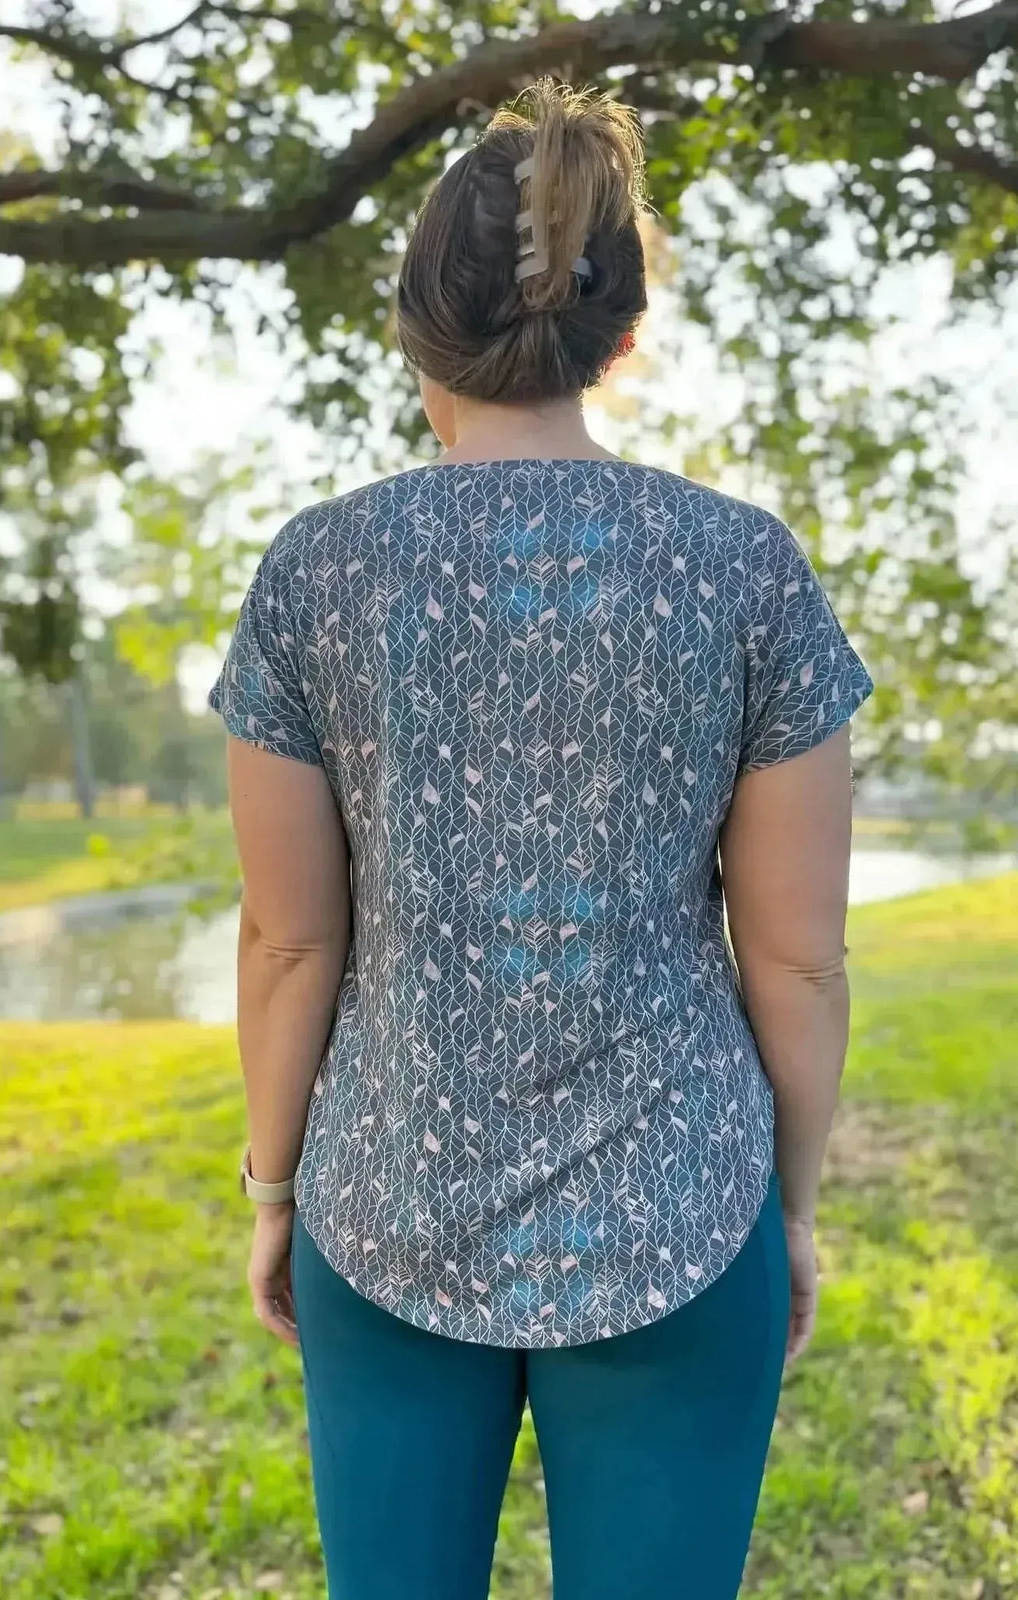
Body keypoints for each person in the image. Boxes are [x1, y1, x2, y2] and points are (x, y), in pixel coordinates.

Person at [211, 79, 873, 1600]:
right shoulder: (747, 569)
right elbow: (800, 957)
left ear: (413, 325)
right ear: (621, 333)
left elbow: (291, 938)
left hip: (382, 1206)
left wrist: (271, 1193)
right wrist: (789, 1210)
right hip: (685, 1213)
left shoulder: (319, 572)